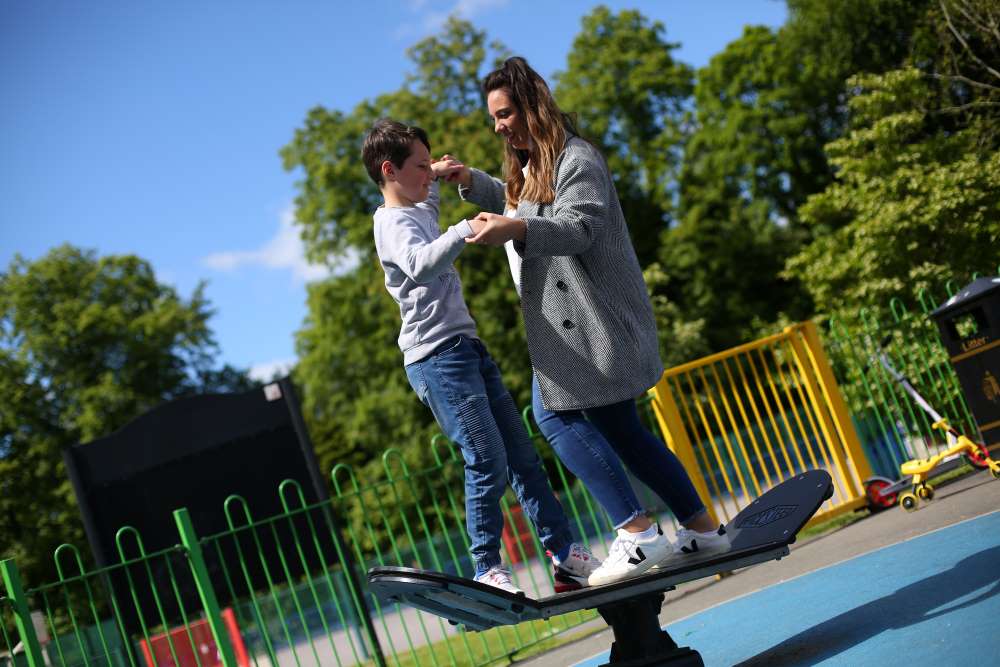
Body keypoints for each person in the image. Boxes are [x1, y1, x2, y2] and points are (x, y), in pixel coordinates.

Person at [435, 58, 730, 586]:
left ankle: (637, 533)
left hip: (597, 326)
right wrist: (469, 181)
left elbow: (578, 227)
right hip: (578, 329)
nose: (499, 126)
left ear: (532, 106)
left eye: (505, 114)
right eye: (494, 119)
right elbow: (517, 201)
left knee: (549, 416)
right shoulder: (531, 168)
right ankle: (703, 528)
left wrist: (516, 229)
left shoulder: (577, 158)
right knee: (624, 431)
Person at [362, 118, 599, 594]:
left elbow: (429, 200)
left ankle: (565, 553)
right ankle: (487, 565)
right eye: (421, 167)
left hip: (468, 348)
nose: (429, 175)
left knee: (522, 455)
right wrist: (464, 227)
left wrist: (452, 172)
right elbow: (421, 265)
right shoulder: (390, 223)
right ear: (389, 170)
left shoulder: (417, 205)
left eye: (430, 165)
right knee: (486, 457)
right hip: (436, 358)